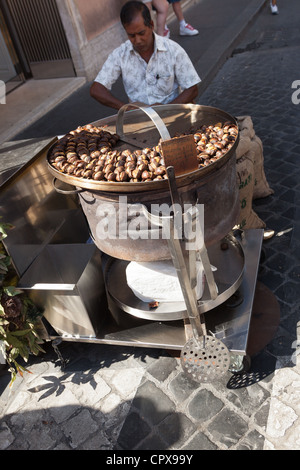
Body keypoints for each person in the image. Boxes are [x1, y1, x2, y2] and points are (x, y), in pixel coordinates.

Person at [90, 1, 201, 110]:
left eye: (141, 33)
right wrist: (127, 109)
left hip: (173, 115)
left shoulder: (173, 50)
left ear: (151, 25)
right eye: (131, 35)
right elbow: (96, 90)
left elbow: (192, 88)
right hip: (141, 120)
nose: (137, 40)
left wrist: (166, 109)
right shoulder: (120, 55)